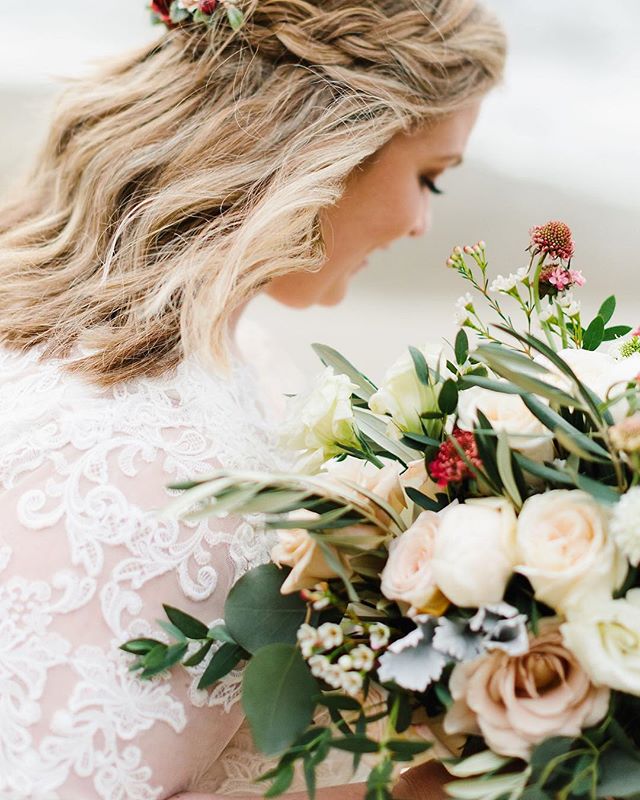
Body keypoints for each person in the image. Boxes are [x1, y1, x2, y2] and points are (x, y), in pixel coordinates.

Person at [0, 1, 506, 797]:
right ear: (330, 140)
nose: (421, 223)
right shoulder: (141, 475)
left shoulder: (219, 358)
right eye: (428, 176)